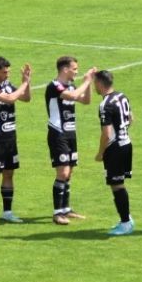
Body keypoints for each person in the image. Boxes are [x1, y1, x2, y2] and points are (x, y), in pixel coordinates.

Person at [0, 57, 32, 224]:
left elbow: (26, 98)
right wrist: (24, 84)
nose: (7, 74)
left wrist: (27, 82)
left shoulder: (7, 85)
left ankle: (7, 212)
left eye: (9, 71)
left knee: (9, 174)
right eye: (4, 72)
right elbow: (9, 99)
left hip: (10, 137)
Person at [46, 57, 94, 225]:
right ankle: (57, 213)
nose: (76, 72)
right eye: (74, 69)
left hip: (70, 134)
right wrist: (86, 81)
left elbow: (86, 100)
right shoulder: (55, 86)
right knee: (63, 173)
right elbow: (73, 96)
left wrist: (88, 84)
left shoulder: (71, 86)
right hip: (58, 133)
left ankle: (66, 209)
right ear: (65, 69)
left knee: (70, 172)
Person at [94, 70, 135, 236]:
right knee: (118, 183)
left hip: (115, 148)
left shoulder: (105, 105)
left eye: (95, 83)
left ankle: (126, 222)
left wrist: (100, 152)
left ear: (100, 83)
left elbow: (106, 134)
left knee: (117, 185)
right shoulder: (122, 96)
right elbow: (131, 118)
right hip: (126, 143)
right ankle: (126, 218)